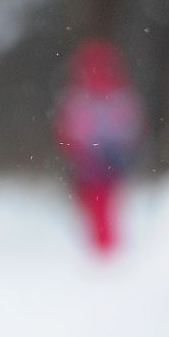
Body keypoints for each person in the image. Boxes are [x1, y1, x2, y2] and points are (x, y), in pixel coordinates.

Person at [53, 36, 144, 256]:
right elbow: (131, 126)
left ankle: (102, 247)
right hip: (106, 158)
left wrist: (76, 149)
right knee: (106, 204)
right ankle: (106, 247)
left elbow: (67, 129)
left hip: (90, 159)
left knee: (97, 204)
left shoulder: (78, 96)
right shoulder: (118, 95)